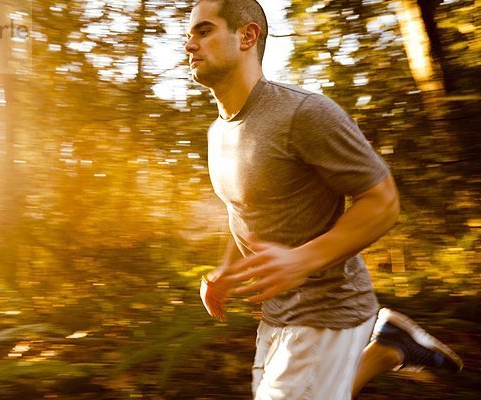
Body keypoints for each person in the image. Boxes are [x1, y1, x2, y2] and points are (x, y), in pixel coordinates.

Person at [185, 0, 464, 399]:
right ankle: (389, 348)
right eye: (189, 33)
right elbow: (245, 209)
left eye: (204, 30)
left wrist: (303, 259)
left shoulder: (303, 113)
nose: (189, 44)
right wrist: (225, 271)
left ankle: (385, 348)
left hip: (329, 313)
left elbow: (382, 200)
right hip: (277, 316)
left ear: (247, 36)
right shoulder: (218, 133)